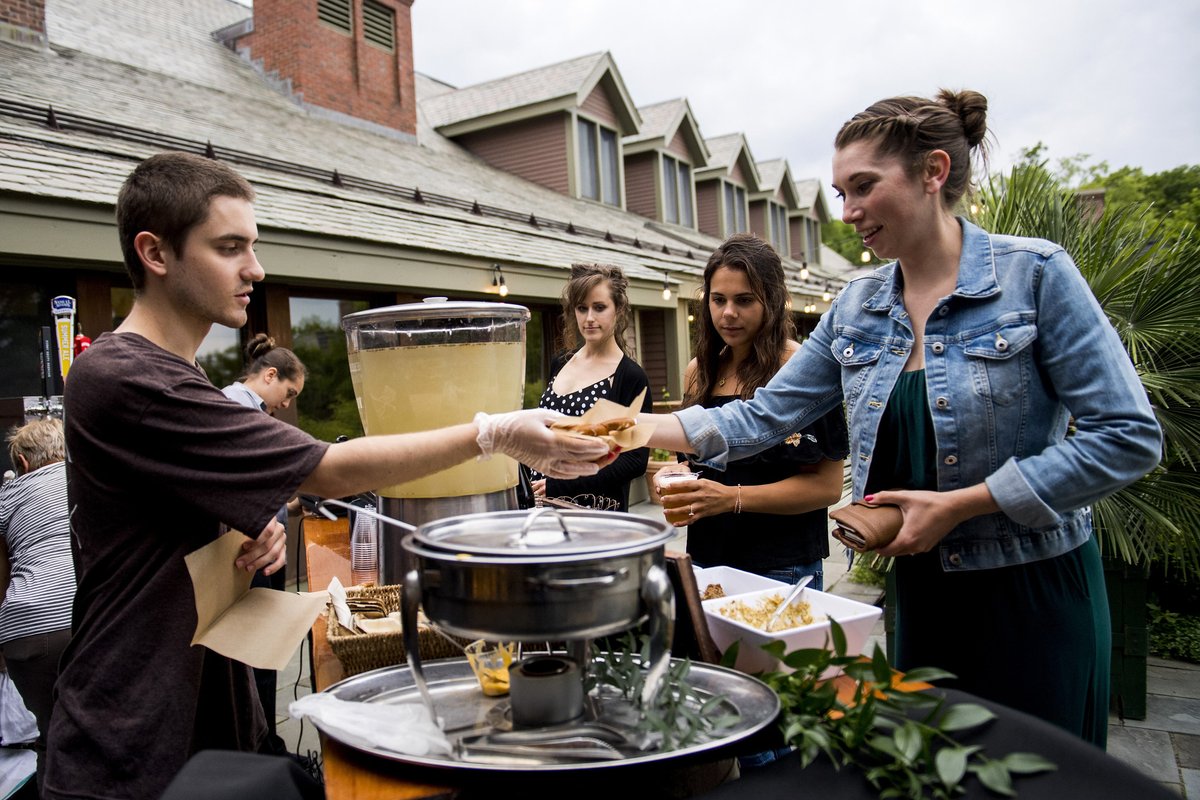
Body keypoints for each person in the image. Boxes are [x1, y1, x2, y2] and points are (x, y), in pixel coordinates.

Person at [45, 151, 611, 800]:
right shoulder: (126, 378)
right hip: (128, 739)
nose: (254, 269)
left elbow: (157, 526)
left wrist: (245, 527)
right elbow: (329, 468)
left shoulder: (166, 376)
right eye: (229, 248)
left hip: (192, 721)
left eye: (251, 247)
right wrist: (492, 432)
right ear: (155, 252)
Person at [639, 90, 1162, 747]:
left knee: (1037, 778)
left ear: (933, 172)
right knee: (933, 771)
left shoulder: (1036, 276)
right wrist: (631, 430)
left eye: (862, 188)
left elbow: (1128, 437)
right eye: (840, 193)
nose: (848, 212)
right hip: (924, 596)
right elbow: (766, 414)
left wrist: (965, 504)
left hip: (1032, 591)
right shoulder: (858, 306)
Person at [654, 234, 847, 589]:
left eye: (743, 300)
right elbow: (686, 460)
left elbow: (827, 486)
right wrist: (672, 474)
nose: (728, 313)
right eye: (718, 300)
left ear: (772, 301)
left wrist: (730, 499)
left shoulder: (802, 370)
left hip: (782, 567)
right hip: (706, 561)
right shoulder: (699, 371)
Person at [221, 333, 306, 758]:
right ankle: (261, 748)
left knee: (266, 651)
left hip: (261, 550)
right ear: (270, 375)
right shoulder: (237, 408)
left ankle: (266, 741)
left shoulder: (252, 409)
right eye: (288, 392)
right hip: (248, 556)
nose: (288, 403)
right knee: (257, 654)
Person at [528, 263, 652, 511]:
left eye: (599, 308)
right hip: (542, 509)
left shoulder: (630, 376)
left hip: (596, 515)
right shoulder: (560, 362)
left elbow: (634, 460)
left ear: (618, 310)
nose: (589, 318)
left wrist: (561, 484)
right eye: (582, 308)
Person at [0, 418, 74, 793]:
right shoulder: (82, 479)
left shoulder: (7, 497)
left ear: (23, 464)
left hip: (22, 633)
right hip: (78, 618)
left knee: (51, 735)